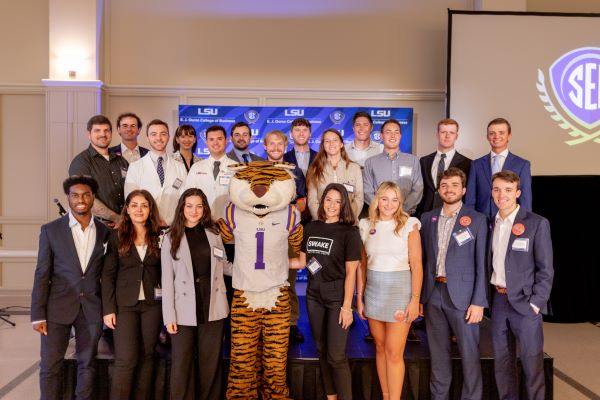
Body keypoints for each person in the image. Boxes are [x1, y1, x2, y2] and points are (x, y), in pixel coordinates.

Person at [31, 175, 110, 400]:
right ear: (68, 198)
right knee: (50, 365)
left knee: (88, 364)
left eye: (86, 194)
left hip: (91, 309)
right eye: (75, 195)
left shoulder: (106, 233)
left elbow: (106, 274)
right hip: (57, 308)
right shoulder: (51, 230)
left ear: (93, 197)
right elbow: (41, 273)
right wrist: (38, 314)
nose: (81, 199)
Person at [419, 168, 488, 400]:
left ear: (464, 189)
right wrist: (421, 298)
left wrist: (479, 301)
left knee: (469, 356)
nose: (449, 189)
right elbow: (424, 260)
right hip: (433, 294)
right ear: (439, 189)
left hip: (464, 297)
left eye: (455, 185)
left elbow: (482, 264)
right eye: (445, 185)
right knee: (438, 356)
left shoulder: (477, 220)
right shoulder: (428, 218)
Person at [162, 188, 231, 400]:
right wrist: (169, 317)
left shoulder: (214, 234)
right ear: (182, 207)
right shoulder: (170, 237)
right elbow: (167, 280)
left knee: (210, 364)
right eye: (189, 206)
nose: (194, 210)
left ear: (205, 209)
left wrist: (251, 272)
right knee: (182, 364)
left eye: (199, 206)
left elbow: (224, 266)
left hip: (213, 304)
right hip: (183, 309)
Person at [355, 181, 423, 400]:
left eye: (394, 199)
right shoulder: (365, 225)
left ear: (400, 202)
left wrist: (415, 300)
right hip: (374, 292)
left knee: (394, 353)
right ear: (377, 198)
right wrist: (360, 297)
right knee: (381, 347)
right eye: (385, 198)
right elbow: (362, 266)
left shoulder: (409, 224)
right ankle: (386, 396)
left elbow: (417, 265)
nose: (389, 204)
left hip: (400, 292)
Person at [489, 171, 553, 400]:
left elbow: (546, 270)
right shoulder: (490, 223)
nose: (501, 195)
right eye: (496, 189)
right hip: (498, 301)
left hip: (526, 304)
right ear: (491, 193)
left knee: (531, 364)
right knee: (502, 364)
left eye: (507, 190)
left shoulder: (536, 223)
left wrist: (536, 304)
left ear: (518, 193)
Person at [297, 183, 362, 400]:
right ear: (322, 201)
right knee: (322, 350)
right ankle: (330, 396)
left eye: (337, 201)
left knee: (336, 356)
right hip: (313, 295)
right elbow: (301, 262)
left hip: (336, 297)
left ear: (343, 204)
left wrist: (346, 306)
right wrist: (267, 263)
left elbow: (351, 273)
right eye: (328, 199)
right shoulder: (311, 227)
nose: (332, 205)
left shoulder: (350, 232)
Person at [101, 189, 163, 400]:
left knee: (147, 356)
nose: (139, 209)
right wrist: (108, 309)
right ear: (127, 209)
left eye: (144, 205)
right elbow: (108, 276)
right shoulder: (116, 236)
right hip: (124, 305)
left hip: (152, 305)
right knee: (126, 358)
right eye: (134, 205)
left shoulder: (160, 236)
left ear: (150, 209)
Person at [263, 129, 307, 343]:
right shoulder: (257, 170)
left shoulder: (295, 170)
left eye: (279, 144)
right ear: (264, 146)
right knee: (263, 280)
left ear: (285, 146)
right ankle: (266, 322)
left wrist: (284, 209)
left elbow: (302, 202)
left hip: (287, 232)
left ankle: (291, 323)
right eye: (271, 144)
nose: (275, 148)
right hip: (261, 234)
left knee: (287, 280)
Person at [466, 117, 532, 220]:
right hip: (481, 221)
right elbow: (470, 199)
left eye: (501, 132)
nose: (496, 136)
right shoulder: (476, 164)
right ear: (487, 137)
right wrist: (470, 221)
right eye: (492, 133)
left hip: (510, 220)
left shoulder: (522, 164)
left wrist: (524, 222)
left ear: (509, 136)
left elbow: (525, 199)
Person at [69, 115, 129, 226]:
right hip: (98, 227)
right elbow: (85, 198)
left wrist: (126, 220)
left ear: (111, 134)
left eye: (106, 130)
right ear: (89, 134)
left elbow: (131, 191)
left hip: (124, 226)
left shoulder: (121, 161)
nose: (103, 134)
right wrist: (117, 218)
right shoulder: (81, 162)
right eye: (97, 131)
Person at [124, 119, 187, 226]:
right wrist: (151, 220)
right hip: (145, 226)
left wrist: (172, 222)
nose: (159, 138)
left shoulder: (180, 167)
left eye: (163, 134)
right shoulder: (135, 167)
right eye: (154, 134)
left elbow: (185, 199)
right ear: (147, 138)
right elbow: (131, 201)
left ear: (168, 137)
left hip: (173, 227)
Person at [363, 118, 423, 216]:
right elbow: (367, 191)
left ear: (400, 136)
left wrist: (402, 209)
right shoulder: (370, 162)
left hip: (406, 215)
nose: (393, 136)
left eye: (396, 132)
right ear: (381, 136)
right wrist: (383, 209)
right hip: (379, 216)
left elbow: (418, 189)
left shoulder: (413, 161)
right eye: (388, 132)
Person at [416, 118, 471, 217]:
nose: (447, 136)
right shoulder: (424, 161)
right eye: (443, 132)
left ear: (456, 136)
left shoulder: (467, 163)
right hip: (426, 214)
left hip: (454, 215)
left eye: (451, 133)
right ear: (437, 135)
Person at [306, 128, 364, 221]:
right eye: (327, 141)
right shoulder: (314, 169)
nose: (331, 144)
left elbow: (359, 198)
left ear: (341, 144)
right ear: (323, 145)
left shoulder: (355, 168)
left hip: (348, 224)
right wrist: (324, 220)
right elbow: (312, 201)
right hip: (322, 223)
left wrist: (348, 218)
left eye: (335, 140)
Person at [184, 125, 237, 220]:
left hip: (229, 221)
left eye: (219, 139)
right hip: (201, 221)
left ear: (226, 141)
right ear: (206, 142)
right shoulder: (196, 167)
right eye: (211, 139)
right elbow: (188, 196)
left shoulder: (236, 168)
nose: (215, 142)